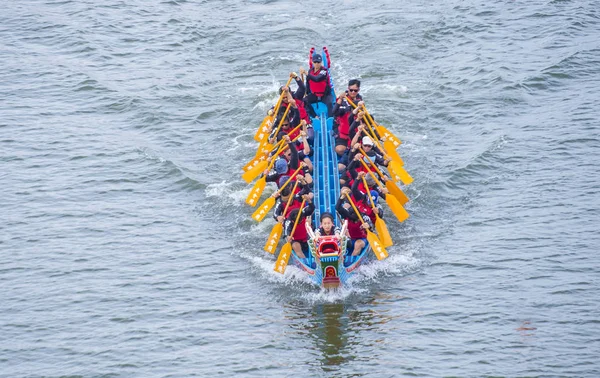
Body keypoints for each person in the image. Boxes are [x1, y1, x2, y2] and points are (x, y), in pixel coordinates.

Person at [335, 187, 373, 258]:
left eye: (356, 220)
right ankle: (341, 259)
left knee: (357, 245)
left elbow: (371, 226)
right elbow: (338, 207)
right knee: (339, 243)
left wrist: (368, 225)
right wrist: (342, 196)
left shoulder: (363, 217)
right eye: (353, 220)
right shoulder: (348, 215)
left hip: (362, 239)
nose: (355, 221)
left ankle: (351, 260)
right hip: (350, 238)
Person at [332, 79, 364, 157]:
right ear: (348, 88)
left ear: (358, 90)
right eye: (351, 90)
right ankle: (350, 153)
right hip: (344, 132)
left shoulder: (360, 99)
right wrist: (348, 107)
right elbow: (334, 112)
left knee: (362, 149)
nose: (353, 92)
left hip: (355, 132)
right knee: (339, 150)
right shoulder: (343, 99)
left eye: (355, 90)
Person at [284, 194, 315, 259]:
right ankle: (305, 262)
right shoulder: (288, 221)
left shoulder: (303, 212)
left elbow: (312, 207)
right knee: (295, 246)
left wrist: (308, 200)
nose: (300, 222)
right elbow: (287, 231)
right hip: (297, 241)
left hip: (308, 237)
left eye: (300, 221)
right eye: (298, 222)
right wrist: (288, 236)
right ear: (293, 221)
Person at [304, 53, 334, 118]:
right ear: (312, 62)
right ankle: (314, 116)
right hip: (315, 95)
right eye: (315, 62)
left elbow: (317, 79)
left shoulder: (324, 71)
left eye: (318, 62)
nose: (317, 64)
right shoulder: (310, 71)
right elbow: (308, 83)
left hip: (325, 95)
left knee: (329, 103)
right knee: (304, 101)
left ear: (321, 62)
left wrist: (307, 74)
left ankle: (331, 119)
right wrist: (306, 92)